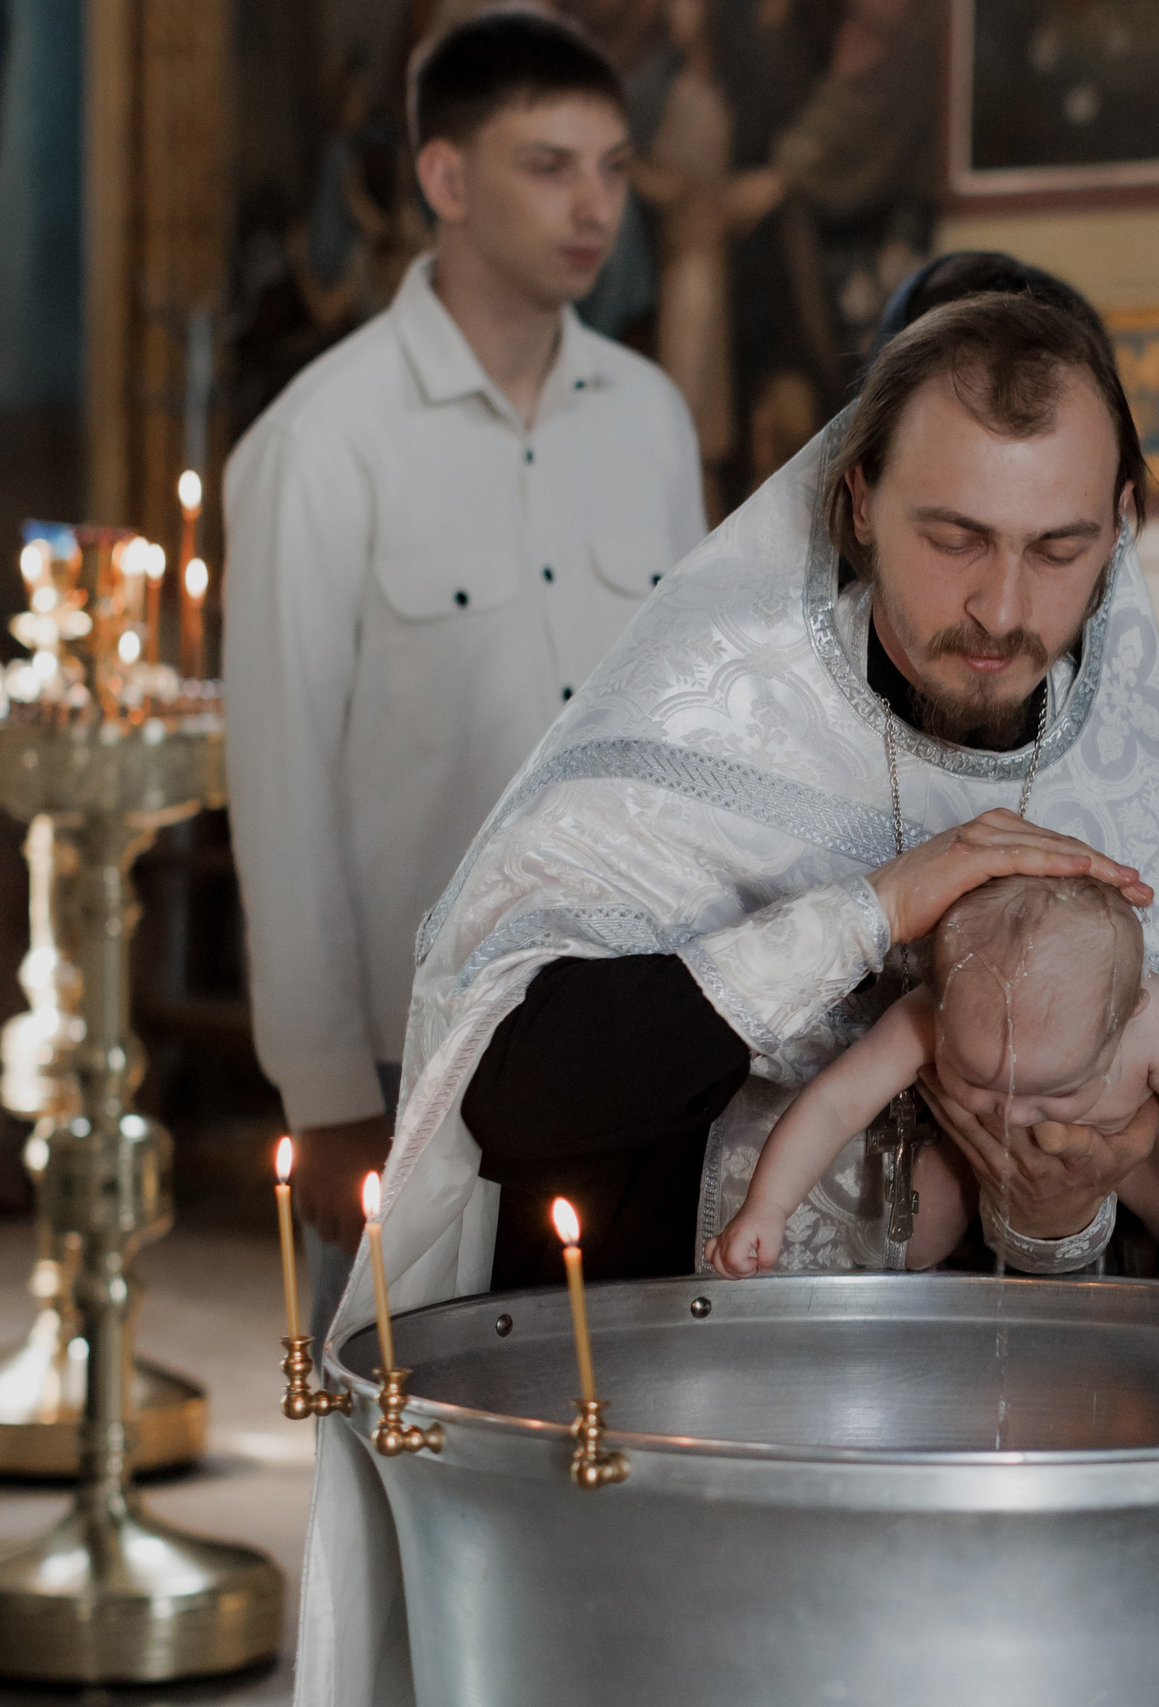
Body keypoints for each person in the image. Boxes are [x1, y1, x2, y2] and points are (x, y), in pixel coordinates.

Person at [295, 287, 1159, 1704]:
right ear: (857, 498)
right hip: (669, 1462)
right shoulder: (707, 700)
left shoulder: (1122, 739)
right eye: (955, 539)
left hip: (967, 1516)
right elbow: (515, 1096)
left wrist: (1054, 1222)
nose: (1004, 609)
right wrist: (872, 905)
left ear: (1123, 524)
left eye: (1060, 549)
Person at [223, 11, 705, 1339]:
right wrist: (323, 1089)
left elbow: (689, 727)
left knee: (615, 1397)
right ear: (445, 177)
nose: (594, 204)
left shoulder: (651, 421)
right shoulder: (323, 443)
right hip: (412, 1046)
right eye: (549, 165)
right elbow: (278, 781)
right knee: (397, 1416)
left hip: (630, 1014)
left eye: (613, 167)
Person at [706, 875, 1159, 1289]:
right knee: (912, 1247)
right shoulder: (924, 1014)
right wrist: (768, 1207)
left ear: (1123, 1018)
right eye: (978, 1078)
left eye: (1054, 1089)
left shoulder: (1153, 1020)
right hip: (962, 1145)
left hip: (1117, 1140)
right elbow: (836, 1104)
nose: (1016, 1113)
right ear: (940, 1003)